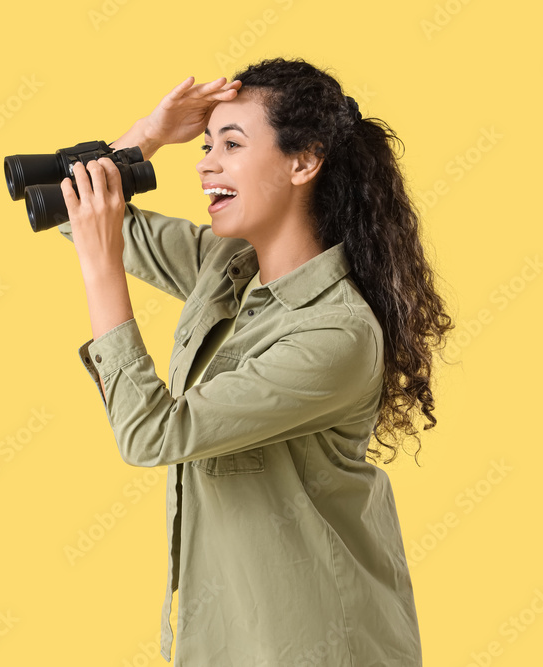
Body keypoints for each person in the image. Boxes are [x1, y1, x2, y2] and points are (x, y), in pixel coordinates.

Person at [55, 56, 453, 666]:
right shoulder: (227, 269)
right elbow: (69, 210)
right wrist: (146, 137)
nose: (205, 161)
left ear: (303, 162)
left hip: (321, 645)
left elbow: (152, 433)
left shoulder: (336, 335)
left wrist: (101, 268)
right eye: (207, 142)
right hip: (227, 641)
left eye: (231, 143)